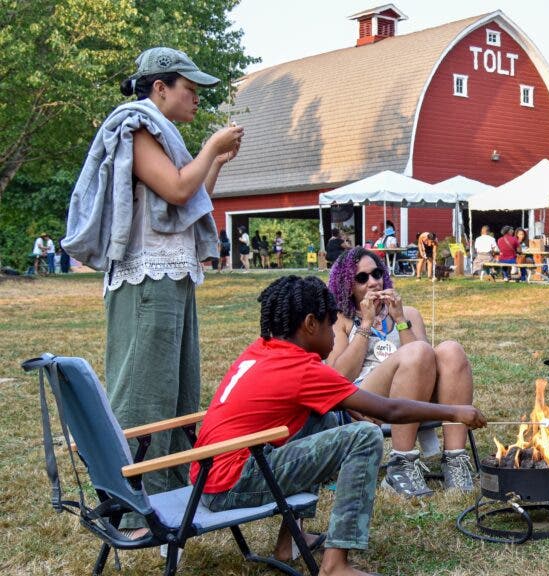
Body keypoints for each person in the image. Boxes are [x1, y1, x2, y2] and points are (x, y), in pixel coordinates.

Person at [62, 47, 244, 538]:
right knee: (143, 395)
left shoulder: (162, 134)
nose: (197, 100)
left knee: (176, 393)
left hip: (171, 277)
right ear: (159, 87)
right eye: (191, 90)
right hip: (147, 281)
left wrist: (216, 160)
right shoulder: (137, 125)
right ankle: (130, 506)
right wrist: (210, 145)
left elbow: (188, 195)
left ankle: (168, 498)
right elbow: (179, 190)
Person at [193, 275, 485, 574]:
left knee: (323, 419)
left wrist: (342, 402)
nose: (334, 336)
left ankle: (288, 542)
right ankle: (336, 565)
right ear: (309, 324)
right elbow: (390, 410)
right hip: (233, 483)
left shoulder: (263, 349)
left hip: (210, 477)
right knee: (365, 437)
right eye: (330, 324)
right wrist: (455, 412)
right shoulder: (302, 368)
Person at [326, 248, 478, 496]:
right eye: (362, 278)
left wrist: (399, 319)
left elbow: (425, 362)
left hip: (414, 389)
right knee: (418, 350)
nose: (374, 282)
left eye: (377, 273)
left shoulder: (409, 314)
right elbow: (340, 378)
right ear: (347, 285)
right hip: (367, 396)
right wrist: (365, 323)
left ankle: (455, 459)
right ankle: (402, 463)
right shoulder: (340, 320)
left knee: (451, 349)